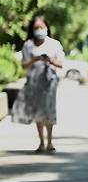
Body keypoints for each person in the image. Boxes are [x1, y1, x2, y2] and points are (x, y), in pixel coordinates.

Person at [11, 15, 64, 152]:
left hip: (50, 81)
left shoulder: (54, 44)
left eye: (41, 27)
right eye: (36, 28)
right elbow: (24, 65)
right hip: (34, 81)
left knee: (49, 109)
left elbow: (61, 64)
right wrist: (34, 59)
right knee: (38, 111)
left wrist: (50, 60)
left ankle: (50, 141)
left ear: (47, 28)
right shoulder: (28, 45)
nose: (39, 30)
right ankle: (41, 141)